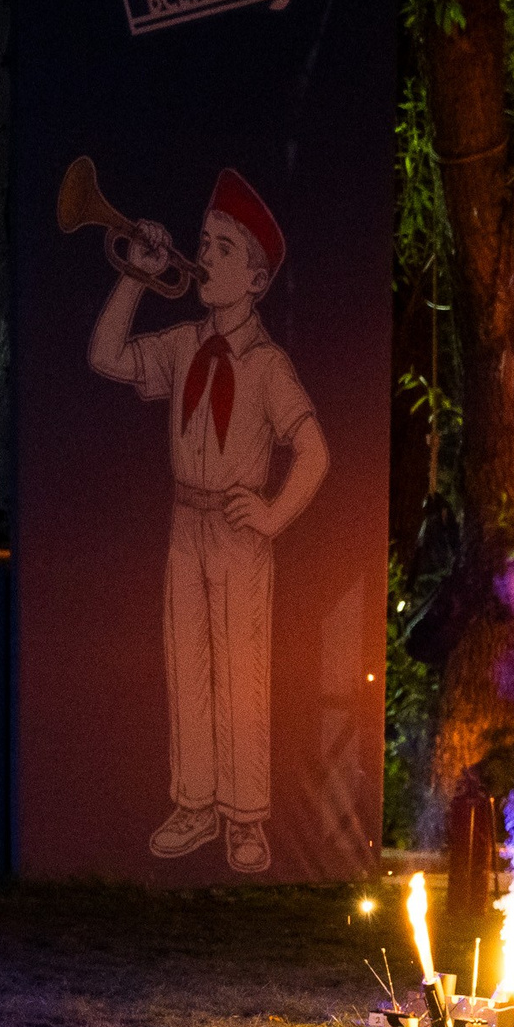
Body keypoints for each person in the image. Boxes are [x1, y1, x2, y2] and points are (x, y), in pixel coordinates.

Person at [88, 169, 329, 877]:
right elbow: (104, 356)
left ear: (255, 278)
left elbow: (313, 450)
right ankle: (195, 800)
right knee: (185, 659)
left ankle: (246, 815)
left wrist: (274, 512)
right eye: (205, 242)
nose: (204, 257)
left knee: (243, 670)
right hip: (184, 522)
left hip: (236, 526)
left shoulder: (266, 363)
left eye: (223, 249)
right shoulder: (185, 343)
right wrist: (135, 277)